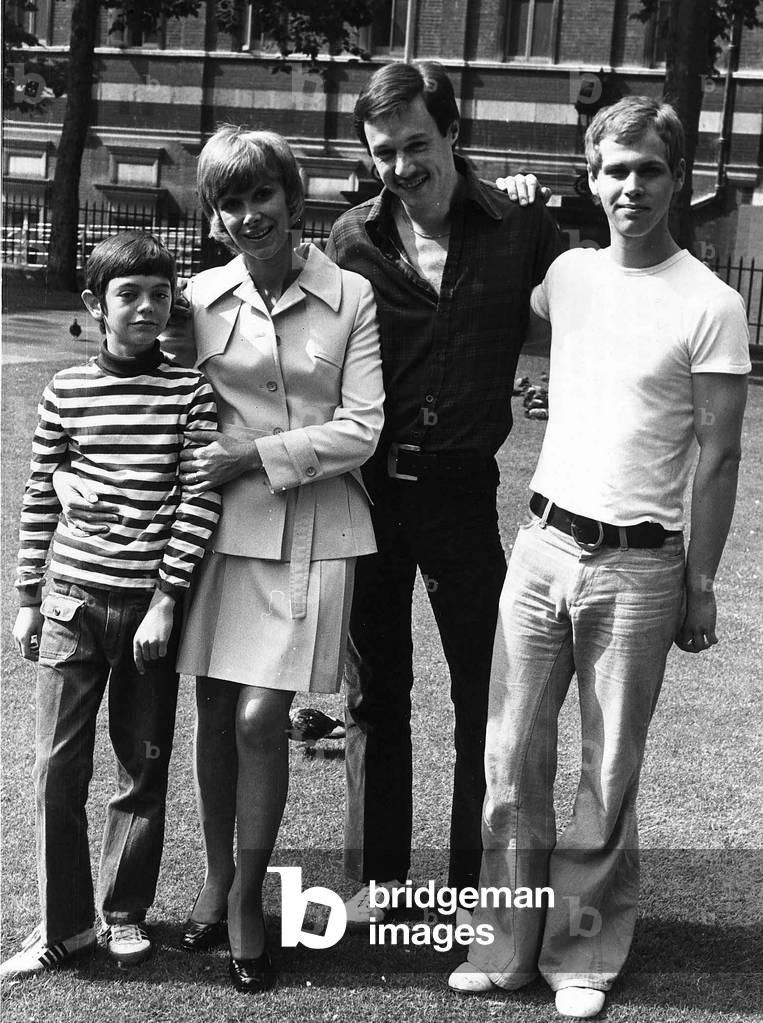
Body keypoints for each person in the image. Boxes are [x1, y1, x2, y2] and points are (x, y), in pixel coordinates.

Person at [448, 97, 750, 1019]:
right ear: (591, 176)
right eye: (614, 169)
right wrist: (493, 192)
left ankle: (579, 953)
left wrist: (699, 581)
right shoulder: (567, 275)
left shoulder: (712, 301)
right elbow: (516, 294)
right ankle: (504, 942)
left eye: (648, 170)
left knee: (607, 767)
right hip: (539, 548)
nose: (630, 187)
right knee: (509, 755)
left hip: (641, 566)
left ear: (677, 181)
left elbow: (719, 450)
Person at [134, 127, 380, 992]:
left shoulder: (349, 295)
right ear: (213, 212)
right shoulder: (196, 295)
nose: (248, 216)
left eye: (260, 197)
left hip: (312, 531)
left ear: (292, 196)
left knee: (256, 720)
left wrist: (255, 455)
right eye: (229, 202)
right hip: (214, 535)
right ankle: (214, 877)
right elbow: (159, 397)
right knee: (210, 715)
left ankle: (246, 900)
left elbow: (362, 428)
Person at [324, 60, 562, 924]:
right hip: (370, 494)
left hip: (463, 494)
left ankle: (471, 885)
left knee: (483, 692)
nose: (399, 166)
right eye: (382, 151)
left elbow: (580, 310)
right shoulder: (349, 239)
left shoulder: (520, 229)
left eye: (415, 144)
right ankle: (380, 877)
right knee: (373, 691)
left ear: (452, 135)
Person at [1, 232, 221, 978]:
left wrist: (166, 600)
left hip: (146, 615)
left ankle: (122, 911)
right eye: (129, 294)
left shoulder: (188, 391)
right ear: (96, 305)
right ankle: (63, 924)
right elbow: (39, 492)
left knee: (140, 767)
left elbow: (198, 500)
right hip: (70, 603)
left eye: (160, 294)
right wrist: (28, 595)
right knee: (57, 769)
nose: (146, 307)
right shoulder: (66, 389)